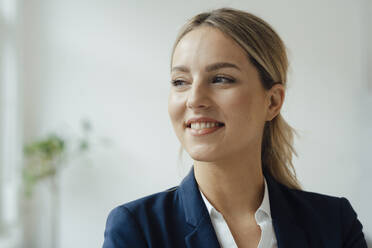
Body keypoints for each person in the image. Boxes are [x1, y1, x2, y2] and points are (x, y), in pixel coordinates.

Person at [102, 7, 368, 248]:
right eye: (180, 81)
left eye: (220, 79)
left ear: (273, 101)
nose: (194, 99)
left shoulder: (335, 224)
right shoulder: (137, 228)